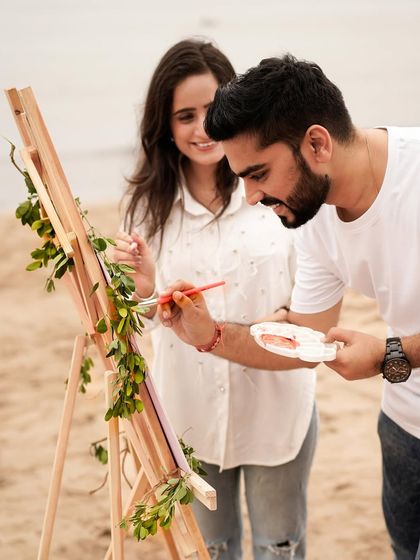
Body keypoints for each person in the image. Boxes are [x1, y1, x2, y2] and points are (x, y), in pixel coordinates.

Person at [157, 54, 420, 560]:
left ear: (317, 143)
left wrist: (391, 354)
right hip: (404, 429)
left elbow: (383, 352)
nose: (251, 197)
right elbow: (302, 338)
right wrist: (208, 334)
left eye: (258, 174)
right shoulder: (316, 217)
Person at [114, 41, 318, 560]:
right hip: (190, 417)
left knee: (280, 546)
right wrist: (142, 293)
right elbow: (137, 328)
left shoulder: (277, 188)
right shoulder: (144, 209)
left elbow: (315, 292)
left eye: (212, 110)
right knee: (211, 548)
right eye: (186, 115)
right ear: (165, 124)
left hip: (277, 407)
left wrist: (288, 316)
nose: (203, 128)